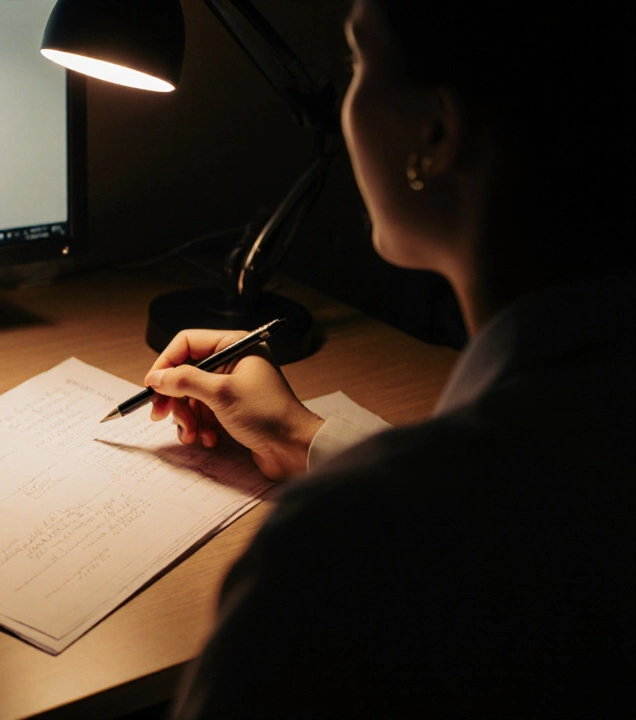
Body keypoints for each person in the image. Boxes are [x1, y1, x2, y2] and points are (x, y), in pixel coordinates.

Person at [143, 1, 635, 717]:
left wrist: (347, 494)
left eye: (355, 64)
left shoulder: (344, 551)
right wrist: (297, 434)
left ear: (437, 133)